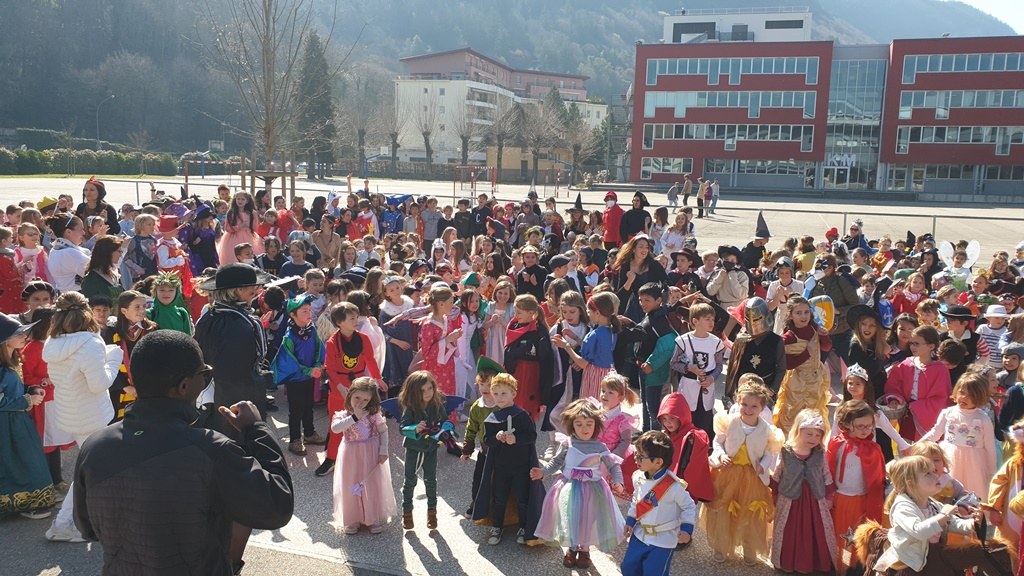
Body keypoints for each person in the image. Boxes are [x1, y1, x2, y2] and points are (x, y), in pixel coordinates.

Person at [73, 330, 294, 575]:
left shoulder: (94, 446)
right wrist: (256, 429)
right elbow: (277, 507)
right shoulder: (210, 449)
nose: (206, 381)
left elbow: (87, 528)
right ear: (184, 386)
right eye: (204, 374)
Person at [42, 291, 123, 543]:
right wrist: (113, 359)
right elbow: (99, 384)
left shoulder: (53, 343)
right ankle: (63, 523)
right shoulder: (91, 343)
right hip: (92, 415)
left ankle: (79, 520)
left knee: (89, 466)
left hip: (69, 412)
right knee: (87, 470)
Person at [533, 399, 626, 568]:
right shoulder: (568, 443)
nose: (584, 429)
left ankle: (585, 550)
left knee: (588, 519)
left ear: (596, 424)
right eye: (579, 424)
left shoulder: (600, 447)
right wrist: (543, 471)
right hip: (570, 488)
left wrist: (618, 481)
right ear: (572, 425)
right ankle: (572, 548)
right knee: (571, 518)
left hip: (593, 490)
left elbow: (614, 466)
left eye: (589, 424)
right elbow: (556, 462)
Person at [704, 382, 783, 565]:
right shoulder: (729, 422)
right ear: (737, 402)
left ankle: (750, 547)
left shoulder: (766, 430)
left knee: (750, 512)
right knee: (724, 509)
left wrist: (763, 465)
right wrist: (721, 454)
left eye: (754, 406)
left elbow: (768, 453)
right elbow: (717, 442)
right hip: (728, 473)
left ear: (762, 408)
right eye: (744, 404)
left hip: (752, 477)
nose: (748, 409)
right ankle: (721, 546)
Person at [871, 455, 981, 573]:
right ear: (911, 484)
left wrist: (973, 523)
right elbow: (919, 531)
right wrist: (943, 515)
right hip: (911, 564)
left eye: (933, 471)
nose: (936, 475)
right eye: (928, 474)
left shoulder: (931, 503)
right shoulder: (903, 507)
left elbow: (952, 523)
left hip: (931, 555)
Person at [472, 373, 545, 546]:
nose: (499, 397)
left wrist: (516, 439)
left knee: (522, 498)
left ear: (513, 393)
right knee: (499, 498)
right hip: (501, 468)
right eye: (496, 393)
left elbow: (531, 436)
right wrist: (496, 437)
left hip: (521, 467)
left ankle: (524, 527)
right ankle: (497, 526)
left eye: (504, 393)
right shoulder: (492, 419)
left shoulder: (522, 415)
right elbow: (487, 441)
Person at [0, 313, 57, 519]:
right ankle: (22, 504)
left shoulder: (14, 359)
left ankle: (29, 502)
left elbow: (14, 388)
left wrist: (31, 389)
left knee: (26, 460)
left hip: (18, 422)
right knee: (13, 463)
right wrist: (27, 401)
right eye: (18, 333)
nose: (25, 335)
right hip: (5, 425)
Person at [620, 430, 697, 576]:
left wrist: (687, 529)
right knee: (628, 569)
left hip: (663, 540)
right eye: (636, 453)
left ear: (658, 462)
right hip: (640, 534)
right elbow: (636, 499)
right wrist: (630, 520)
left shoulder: (673, 486)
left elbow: (688, 506)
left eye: (641, 456)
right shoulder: (638, 477)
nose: (636, 458)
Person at [321, 302, 384, 477]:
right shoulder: (332, 342)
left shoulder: (363, 338)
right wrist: (340, 386)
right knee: (338, 422)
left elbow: (370, 359)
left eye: (356, 317)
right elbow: (330, 369)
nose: (356, 321)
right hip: (339, 387)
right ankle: (331, 458)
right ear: (339, 322)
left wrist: (378, 378)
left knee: (364, 420)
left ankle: (362, 457)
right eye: (351, 318)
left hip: (359, 385)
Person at [770, 408, 836, 574]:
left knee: (814, 529)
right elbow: (778, 472)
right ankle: (788, 561)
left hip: (814, 499)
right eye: (809, 434)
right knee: (789, 529)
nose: (814, 439)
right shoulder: (786, 451)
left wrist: (829, 496)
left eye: (818, 435)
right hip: (790, 499)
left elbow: (825, 473)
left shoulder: (820, 453)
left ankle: (815, 561)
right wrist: (774, 492)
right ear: (798, 431)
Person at [827, 399, 887, 574]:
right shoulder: (837, 444)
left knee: (858, 536)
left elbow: (878, 479)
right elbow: (828, 469)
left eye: (869, 426)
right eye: (860, 426)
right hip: (840, 499)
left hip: (862, 501)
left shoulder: (873, 449)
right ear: (846, 424)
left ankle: (858, 565)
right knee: (842, 536)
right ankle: (842, 566)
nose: (865, 430)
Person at [330, 377, 395, 535]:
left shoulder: (373, 414)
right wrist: (354, 417)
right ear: (350, 395)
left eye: (365, 400)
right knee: (351, 484)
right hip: (350, 455)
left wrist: (383, 449)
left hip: (371, 452)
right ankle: (352, 519)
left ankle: (372, 518)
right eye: (357, 397)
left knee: (371, 484)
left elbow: (383, 431)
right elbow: (336, 429)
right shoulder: (343, 415)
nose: (360, 402)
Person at [917, 370, 996, 499]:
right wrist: (918, 445)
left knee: (973, 490)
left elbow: (990, 448)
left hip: (974, 463)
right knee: (949, 489)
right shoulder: (948, 413)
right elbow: (935, 432)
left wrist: (991, 472)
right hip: (950, 457)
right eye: (962, 392)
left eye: (970, 396)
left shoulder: (983, 419)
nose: (964, 397)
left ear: (979, 397)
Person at [272, 294, 327, 456]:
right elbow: (288, 361)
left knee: (308, 406)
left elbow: (319, 347)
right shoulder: (289, 337)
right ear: (292, 315)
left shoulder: (312, 330)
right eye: (304, 311)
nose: (309, 313)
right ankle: (295, 439)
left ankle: (309, 433)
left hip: (309, 377)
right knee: (296, 410)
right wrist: (308, 370)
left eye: (309, 310)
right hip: (295, 379)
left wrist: (318, 364)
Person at [774, 296, 832, 434]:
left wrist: (824, 335)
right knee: (794, 415)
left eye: (806, 312)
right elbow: (786, 364)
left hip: (815, 379)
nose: (803, 316)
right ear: (791, 315)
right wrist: (807, 353)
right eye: (798, 313)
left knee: (815, 413)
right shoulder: (789, 337)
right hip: (797, 382)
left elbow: (826, 347)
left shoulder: (814, 328)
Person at [398, 371, 447, 531]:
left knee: (431, 480)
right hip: (414, 449)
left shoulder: (437, 404)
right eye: (422, 390)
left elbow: (445, 422)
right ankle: (407, 512)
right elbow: (402, 428)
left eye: (430, 388)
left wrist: (444, 431)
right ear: (414, 392)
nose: (427, 393)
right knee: (410, 480)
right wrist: (415, 428)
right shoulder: (411, 407)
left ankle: (432, 512)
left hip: (431, 448)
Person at [885, 325, 951, 441]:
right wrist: (895, 399)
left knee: (924, 448)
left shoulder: (940, 369)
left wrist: (917, 406)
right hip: (907, 415)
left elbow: (941, 398)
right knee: (905, 444)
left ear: (931, 346)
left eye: (917, 344)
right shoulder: (906, 364)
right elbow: (894, 385)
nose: (912, 347)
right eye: (911, 343)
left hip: (926, 415)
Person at [670, 302, 724, 442]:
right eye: (707, 319)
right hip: (688, 385)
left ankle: (703, 448)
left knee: (705, 420)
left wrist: (711, 378)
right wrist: (689, 368)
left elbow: (719, 365)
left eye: (712, 319)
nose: (711, 323)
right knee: (687, 420)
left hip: (707, 386)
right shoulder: (683, 341)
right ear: (695, 321)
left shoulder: (716, 342)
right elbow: (674, 363)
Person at [552, 292, 618, 402]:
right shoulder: (612, 331)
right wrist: (576, 338)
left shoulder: (594, 334)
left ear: (597, 313)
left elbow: (583, 363)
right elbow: (598, 350)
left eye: (589, 312)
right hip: (608, 373)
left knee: (592, 405)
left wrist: (566, 346)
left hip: (595, 376)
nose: (588, 315)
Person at [504, 294, 553, 423]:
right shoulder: (514, 326)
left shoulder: (539, 331)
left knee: (527, 410)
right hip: (515, 372)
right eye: (515, 312)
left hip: (531, 374)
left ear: (531, 313)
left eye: (519, 312)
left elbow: (546, 361)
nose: (516, 315)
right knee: (512, 406)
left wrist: (545, 395)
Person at [45, 213, 91, 293]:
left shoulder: (56, 250)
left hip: (67, 294)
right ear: (68, 232)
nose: (83, 233)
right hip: (77, 295)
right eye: (81, 229)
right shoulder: (69, 253)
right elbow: (95, 271)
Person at [218, 192, 262, 266]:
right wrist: (239, 227)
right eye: (238, 199)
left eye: (242, 199)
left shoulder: (250, 213)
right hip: (232, 239)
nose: (240, 201)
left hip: (248, 237)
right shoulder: (231, 212)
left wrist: (255, 218)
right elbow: (227, 228)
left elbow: (254, 229)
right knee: (233, 258)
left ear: (247, 201)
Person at [79, 235, 124, 302]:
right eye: (119, 251)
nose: (120, 255)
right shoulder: (91, 280)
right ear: (108, 252)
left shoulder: (115, 274)